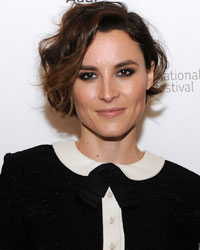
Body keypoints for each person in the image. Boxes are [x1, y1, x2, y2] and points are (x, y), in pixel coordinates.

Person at [0, 1, 200, 250]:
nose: (107, 93)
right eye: (88, 75)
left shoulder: (188, 190)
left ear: (149, 74)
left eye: (124, 72)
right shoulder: (23, 175)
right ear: (68, 82)